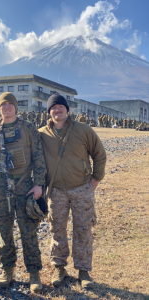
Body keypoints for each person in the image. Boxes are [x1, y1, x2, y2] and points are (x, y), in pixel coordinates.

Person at [0, 92, 46, 293]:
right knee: (4, 230)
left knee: (28, 231)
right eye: (3, 104)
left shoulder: (28, 128)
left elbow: (39, 156)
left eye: (10, 104)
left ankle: (34, 273)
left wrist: (39, 184)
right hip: (1, 188)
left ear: (16, 107)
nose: (7, 107)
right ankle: (7, 269)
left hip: (25, 185)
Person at [39, 94, 106, 288]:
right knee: (57, 230)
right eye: (54, 108)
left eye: (61, 107)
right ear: (49, 112)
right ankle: (59, 267)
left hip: (81, 189)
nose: (58, 110)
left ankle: (83, 271)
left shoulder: (83, 130)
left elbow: (99, 155)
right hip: (56, 191)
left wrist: (95, 180)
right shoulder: (41, 133)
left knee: (83, 230)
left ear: (68, 110)